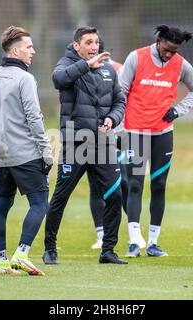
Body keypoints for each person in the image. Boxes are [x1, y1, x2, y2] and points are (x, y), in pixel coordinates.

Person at [43, 26, 127, 265]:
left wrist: (113, 117)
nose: (94, 47)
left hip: (103, 144)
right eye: (88, 42)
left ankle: (108, 251)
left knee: (115, 195)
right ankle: (50, 249)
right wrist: (86, 66)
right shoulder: (66, 65)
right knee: (61, 196)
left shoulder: (109, 70)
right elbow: (58, 80)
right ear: (76, 45)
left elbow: (120, 100)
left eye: (96, 42)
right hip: (75, 144)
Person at [119, 25, 193, 258]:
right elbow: (120, 92)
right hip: (135, 132)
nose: (169, 55)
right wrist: (118, 128)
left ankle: (154, 243)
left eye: (173, 51)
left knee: (159, 186)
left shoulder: (181, 64)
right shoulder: (136, 58)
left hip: (163, 134)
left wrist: (178, 111)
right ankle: (134, 242)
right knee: (135, 185)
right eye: (166, 49)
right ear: (158, 40)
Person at [0, 26, 53, 276]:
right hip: (26, 154)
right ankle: (21, 254)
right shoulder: (25, 79)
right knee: (39, 203)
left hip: (2, 157)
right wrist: (46, 152)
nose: (32, 51)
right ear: (15, 50)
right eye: (29, 47)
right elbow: (34, 118)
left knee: (1, 205)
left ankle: (2, 262)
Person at [86, 38, 135, 250]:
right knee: (96, 185)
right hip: (93, 135)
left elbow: (126, 101)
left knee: (122, 182)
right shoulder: (83, 69)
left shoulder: (119, 69)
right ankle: (101, 234)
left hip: (118, 134)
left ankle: (133, 231)